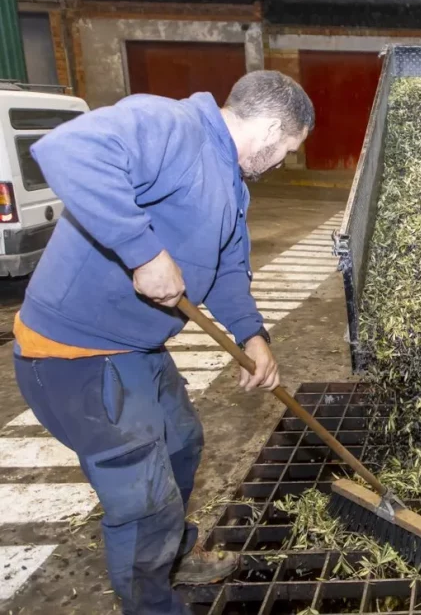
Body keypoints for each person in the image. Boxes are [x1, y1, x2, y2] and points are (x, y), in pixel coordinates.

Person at [12, 70, 314, 615]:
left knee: (181, 444)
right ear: (270, 128)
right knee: (143, 502)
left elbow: (227, 269)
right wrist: (142, 252)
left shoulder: (229, 182)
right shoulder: (172, 125)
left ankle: (172, 555)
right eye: (287, 149)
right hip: (75, 354)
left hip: (138, 348)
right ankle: (152, 604)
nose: (281, 162)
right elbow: (67, 149)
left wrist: (252, 334)